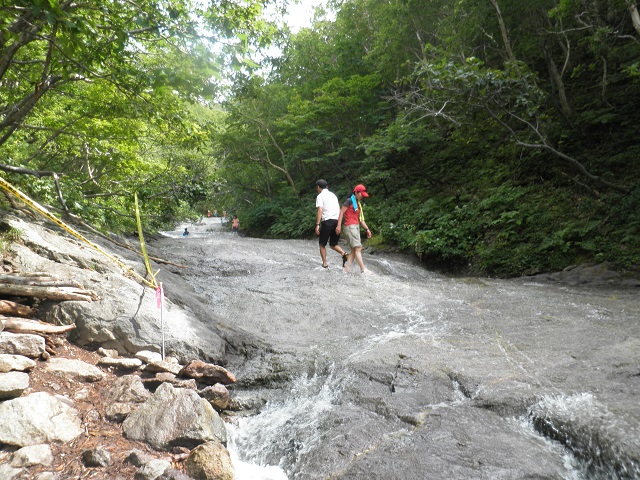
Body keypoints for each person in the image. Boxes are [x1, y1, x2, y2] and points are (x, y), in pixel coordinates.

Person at [336, 184, 372, 274]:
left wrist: (367, 229)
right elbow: (341, 212)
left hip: (355, 227)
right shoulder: (349, 201)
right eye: (361, 194)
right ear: (356, 192)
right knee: (358, 248)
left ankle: (346, 269)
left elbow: (361, 220)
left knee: (353, 250)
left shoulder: (357, 203)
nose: (362, 196)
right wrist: (338, 225)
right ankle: (363, 270)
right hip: (350, 227)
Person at [315, 179, 348, 269]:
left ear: (318, 187)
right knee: (333, 244)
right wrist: (339, 225)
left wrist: (317, 224)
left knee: (322, 244)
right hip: (336, 221)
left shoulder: (320, 196)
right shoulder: (333, 195)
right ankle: (344, 254)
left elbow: (320, 210)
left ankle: (325, 264)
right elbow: (338, 209)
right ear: (327, 186)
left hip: (327, 221)